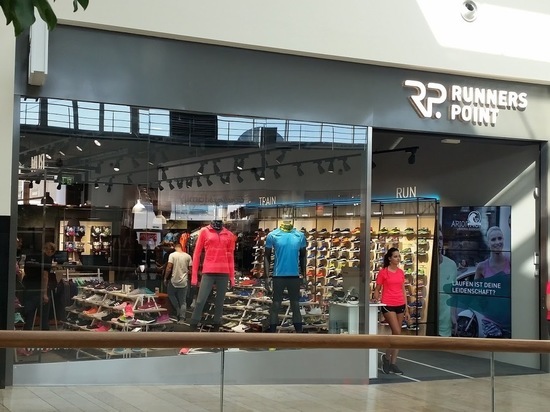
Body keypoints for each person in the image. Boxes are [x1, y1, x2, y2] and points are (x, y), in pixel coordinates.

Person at [189, 220, 236, 331]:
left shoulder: (229, 234)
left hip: (224, 272)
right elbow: (196, 254)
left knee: (220, 303)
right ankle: (193, 326)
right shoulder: (204, 231)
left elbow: (230, 257)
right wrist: (194, 276)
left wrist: (232, 277)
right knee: (200, 301)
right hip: (208, 271)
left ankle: (216, 327)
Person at [264, 220, 307, 333]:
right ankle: (272, 336)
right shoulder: (273, 235)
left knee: (295, 305)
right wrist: (266, 277)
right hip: (278, 276)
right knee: (276, 305)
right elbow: (266, 256)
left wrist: (304, 275)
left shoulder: (300, 235)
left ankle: (300, 337)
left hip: (294, 276)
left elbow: (303, 256)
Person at [373, 247, 409, 374]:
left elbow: (403, 290)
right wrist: (375, 298)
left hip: (400, 303)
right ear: (389, 258)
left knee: (397, 335)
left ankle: (392, 362)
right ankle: (387, 358)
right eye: (395, 256)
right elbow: (377, 288)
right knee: (397, 332)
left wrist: (407, 308)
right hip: (388, 304)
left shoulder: (401, 272)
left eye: (399, 256)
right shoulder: (383, 272)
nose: (398, 258)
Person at [22, 242, 57, 331]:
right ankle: (45, 337)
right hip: (39, 288)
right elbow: (45, 276)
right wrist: (44, 293)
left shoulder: (29, 256)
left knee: (29, 316)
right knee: (44, 317)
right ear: (50, 250)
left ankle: (25, 337)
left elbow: (26, 271)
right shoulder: (46, 258)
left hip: (28, 287)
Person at [164, 243, 192, 324]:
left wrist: (165, 278)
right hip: (184, 281)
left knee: (171, 294)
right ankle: (182, 318)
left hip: (174, 280)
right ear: (181, 247)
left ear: (175, 247)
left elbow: (169, 268)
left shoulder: (172, 255)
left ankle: (177, 309)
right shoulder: (188, 256)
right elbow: (190, 270)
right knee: (183, 301)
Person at [438, 226, 458, 337]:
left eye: (440, 239)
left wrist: (454, 317)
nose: (439, 242)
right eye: (436, 239)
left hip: (445, 327)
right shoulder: (425, 267)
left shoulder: (451, 265)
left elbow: (453, 295)